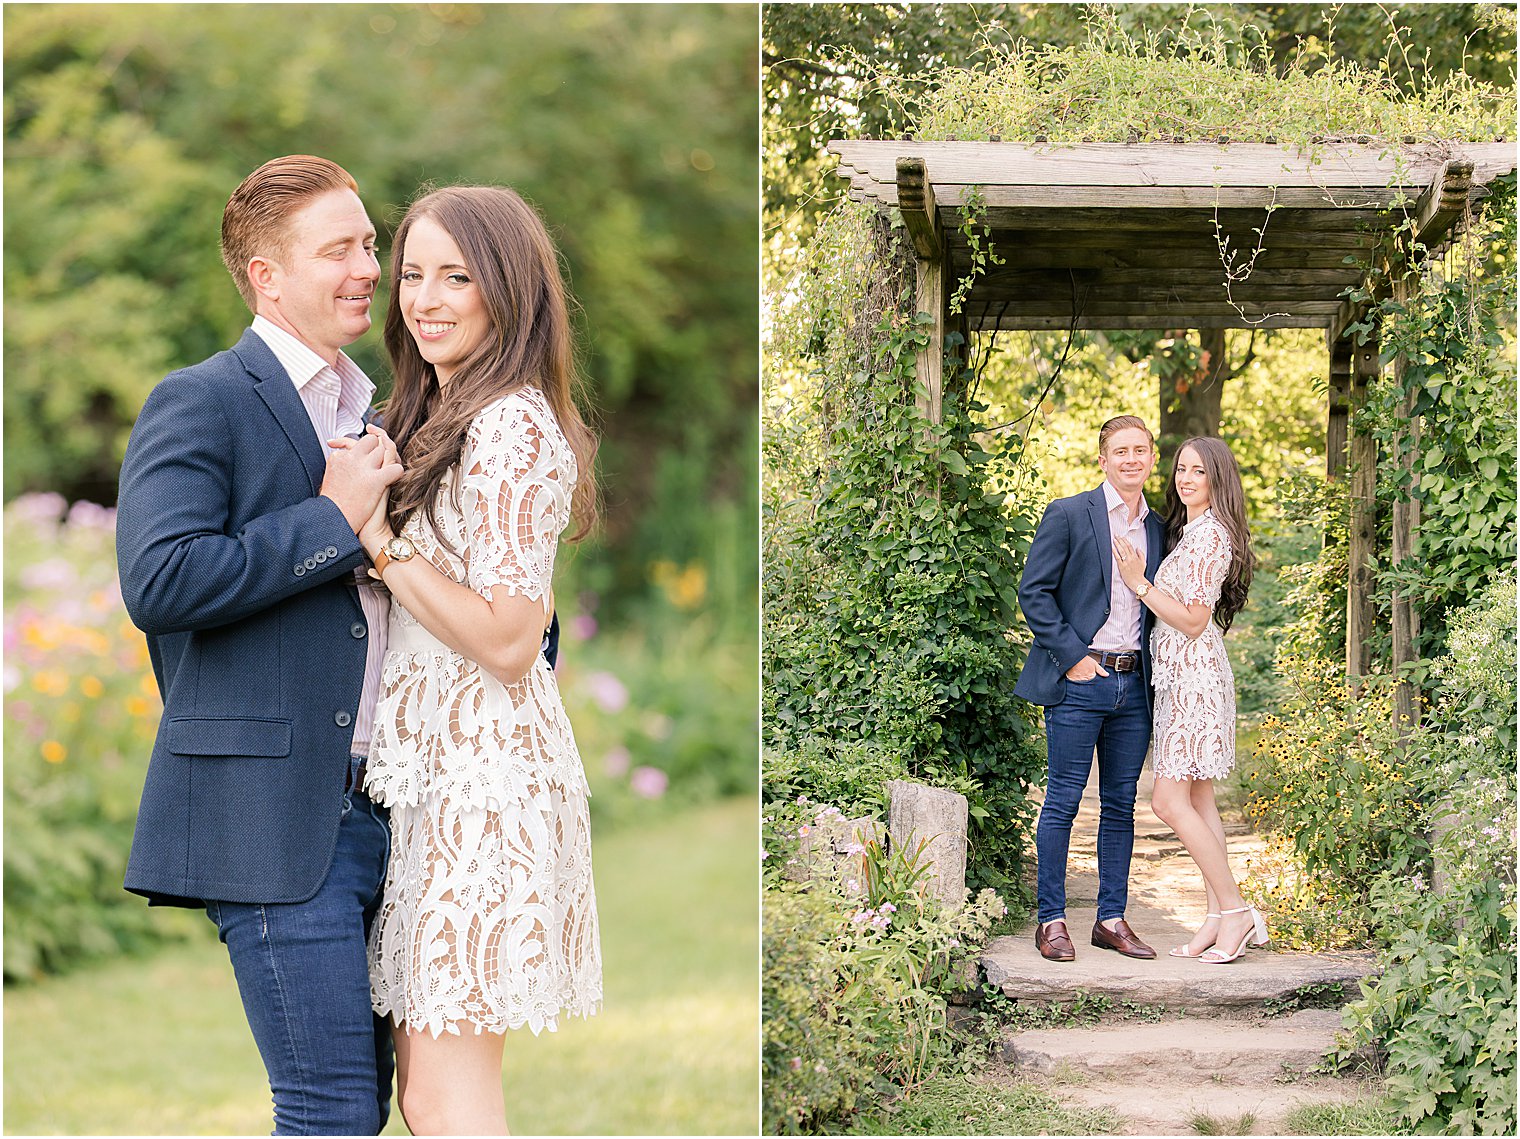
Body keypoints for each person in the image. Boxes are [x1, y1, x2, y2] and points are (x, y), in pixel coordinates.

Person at [117, 155, 403, 1133]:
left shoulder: (370, 414)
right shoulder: (201, 398)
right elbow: (160, 580)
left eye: (368, 241)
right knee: (326, 1107)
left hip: (384, 809)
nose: (368, 265)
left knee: (362, 1106)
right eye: (339, 249)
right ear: (266, 275)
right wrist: (331, 521)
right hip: (271, 815)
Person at [351, 185, 602, 1135]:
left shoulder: (509, 425)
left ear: (509, 291)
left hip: (483, 780)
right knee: (427, 1094)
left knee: (448, 1095)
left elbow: (506, 636)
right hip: (430, 774)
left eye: (456, 275)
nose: (425, 297)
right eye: (412, 273)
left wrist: (381, 542)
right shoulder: (447, 410)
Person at [1014, 415, 1167, 963]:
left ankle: (1111, 919)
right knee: (1062, 803)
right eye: (1120, 451)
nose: (1131, 459)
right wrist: (1074, 659)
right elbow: (1034, 593)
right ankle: (1051, 920)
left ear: (1152, 458)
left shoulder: (1157, 526)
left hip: (1134, 686)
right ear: (1103, 459)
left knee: (1121, 805)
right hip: (1082, 682)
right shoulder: (1070, 514)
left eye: (1140, 450)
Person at [1113, 436, 1267, 963]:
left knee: (1167, 801)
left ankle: (1237, 910)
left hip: (1194, 682)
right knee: (1199, 801)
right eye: (1181, 469)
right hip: (1180, 679)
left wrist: (1139, 584)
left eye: (1198, 471)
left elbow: (1195, 621)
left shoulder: (1211, 538)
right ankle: (1217, 919)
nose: (1186, 478)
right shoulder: (1192, 532)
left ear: (1217, 479)